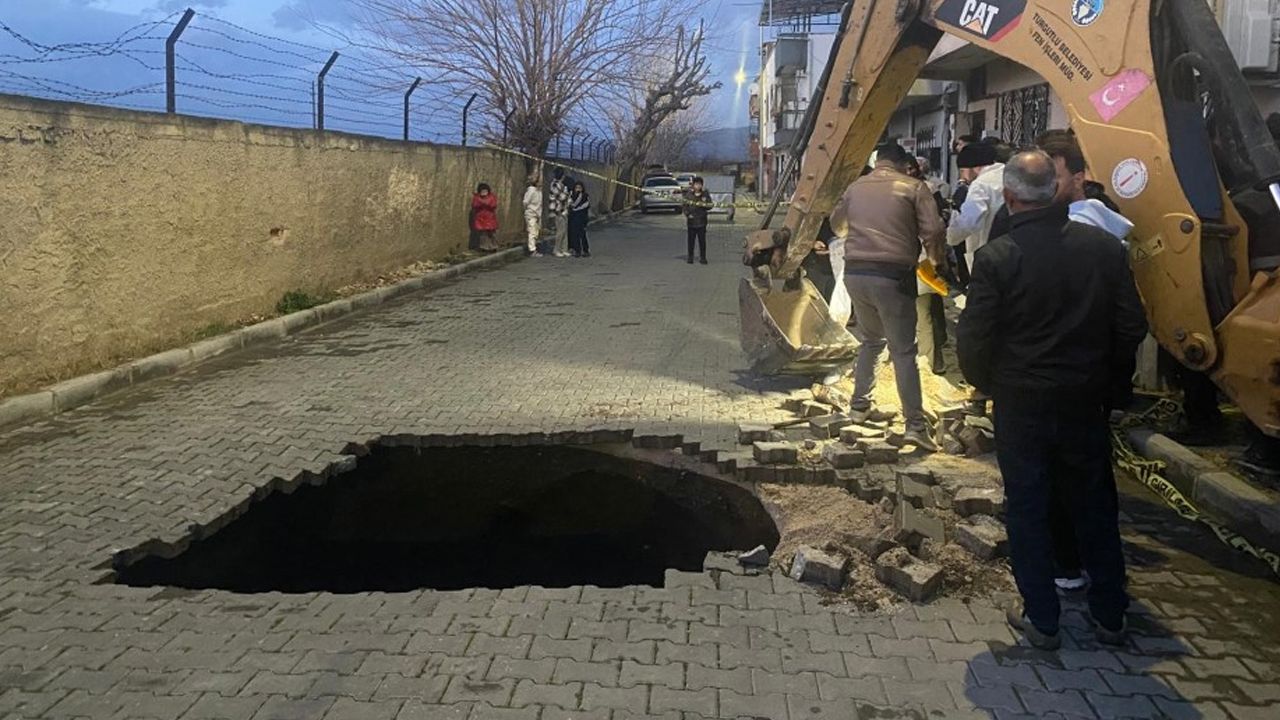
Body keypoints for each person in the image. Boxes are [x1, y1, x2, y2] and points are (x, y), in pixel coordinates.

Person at [957, 150, 1147, 650]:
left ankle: (1042, 619)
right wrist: (1112, 382)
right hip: (1085, 399)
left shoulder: (997, 257)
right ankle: (1110, 615)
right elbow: (1132, 324)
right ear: (1055, 190)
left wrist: (989, 383)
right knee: (1095, 504)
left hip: (1022, 402)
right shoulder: (1103, 249)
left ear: (1010, 196)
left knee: (1028, 505)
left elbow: (973, 339)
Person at [829, 142, 946, 451]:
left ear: (878, 161)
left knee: (871, 340)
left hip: (855, 274)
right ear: (902, 164)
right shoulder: (914, 187)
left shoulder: (855, 187)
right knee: (904, 350)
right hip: (893, 276)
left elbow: (837, 226)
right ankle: (915, 426)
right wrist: (936, 262)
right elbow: (933, 231)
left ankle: (859, 407)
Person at [904, 156, 949, 375]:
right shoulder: (927, 190)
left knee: (922, 314)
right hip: (922, 260)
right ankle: (932, 362)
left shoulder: (922, 190)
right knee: (927, 312)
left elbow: (935, 228)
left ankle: (929, 364)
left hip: (918, 261)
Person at [683, 176, 713, 264]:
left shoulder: (705, 194)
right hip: (691, 222)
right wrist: (688, 214)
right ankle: (690, 257)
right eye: (696, 184)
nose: (698, 186)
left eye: (699, 184)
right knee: (691, 241)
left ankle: (703, 257)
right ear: (693, 185)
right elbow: (684, 206)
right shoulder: (689, 195)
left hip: (702, 221)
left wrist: (704, 205)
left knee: (702, 241)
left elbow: (710, 205)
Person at [548, 167, 572, 258]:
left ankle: (564, 249)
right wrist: (567, 194)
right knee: (560, 231)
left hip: (564, 210)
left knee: (565, 230)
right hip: (558, 210)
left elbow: (566, 197)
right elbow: (560, 197)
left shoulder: (562, 185)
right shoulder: (555, 184)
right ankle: (556, 249)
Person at [470, 183, 499, 252]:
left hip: (490, 218)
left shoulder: (491, 197)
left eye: (485, 191)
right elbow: (474, 205)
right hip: (481, 219)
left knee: (492, 233)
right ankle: (484, 247)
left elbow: (493, 205)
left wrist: (484, 203)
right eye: (482, 191)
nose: (484, 192)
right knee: (483, 234)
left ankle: (493, 246)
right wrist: (482, 202)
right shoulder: (477, 198)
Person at [568, 181, 591, 258]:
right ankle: (577, 250)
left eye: (579, 188)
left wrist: (576, 208)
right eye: (576, 188)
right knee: (575, 235)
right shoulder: (571, 196)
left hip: (582, 218)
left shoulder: (585, 196)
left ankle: (585, 250)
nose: (578, 189)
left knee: (582, 235)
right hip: (573, 218)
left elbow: (586, 205)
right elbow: (570, 204)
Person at [522, 175, 543, 257]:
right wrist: (528, 210)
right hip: (531, 213)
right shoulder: (531, 191)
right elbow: (525, 202)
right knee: (532, 232)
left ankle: (533, 247)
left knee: (536, 232)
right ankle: (532, 250)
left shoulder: (539, 191)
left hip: (537, 214)